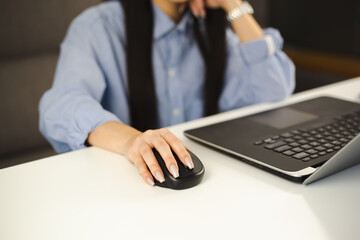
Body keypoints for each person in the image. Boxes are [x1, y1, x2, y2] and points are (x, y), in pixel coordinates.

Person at [39, 0, 295, 186]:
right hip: (125, 189)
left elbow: (273, 90)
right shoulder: (97, 27)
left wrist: (233, 6)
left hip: (211, 187)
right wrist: (132, 141)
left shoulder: (209, 25)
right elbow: (63, 103)